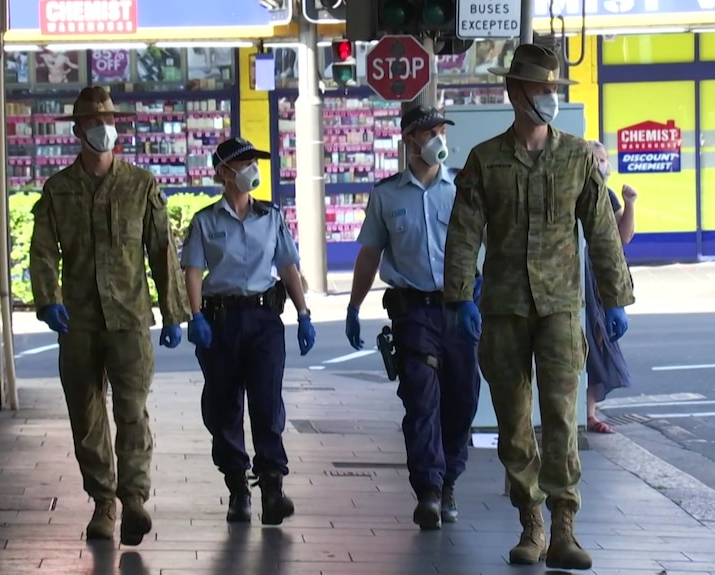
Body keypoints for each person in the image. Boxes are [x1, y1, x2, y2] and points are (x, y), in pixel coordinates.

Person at [442, 45, 635, 570]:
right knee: (512, 420)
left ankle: (565, 527)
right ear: (515, 93)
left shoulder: (575, 157)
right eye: (542, 90)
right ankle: (531, 525)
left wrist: (616, 296)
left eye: (555, 90)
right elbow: (463, 235)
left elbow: (600, 231)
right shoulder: (486, 160)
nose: (550, 98)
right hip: (503, 309)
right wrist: (460, 296)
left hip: (560, 309)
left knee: (560, 418)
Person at [29, 86, 190, 546]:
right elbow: (42, 252)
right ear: (79, 131)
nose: (105, 129)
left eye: (109, 121)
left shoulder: (140, 185)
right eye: (94, 122)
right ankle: (103, 503)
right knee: (85, 415)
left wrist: (174, 311)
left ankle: (133, 498)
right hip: (77, 322)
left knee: (132, 412)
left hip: (129, 319)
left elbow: (162, 250)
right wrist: (48, 299)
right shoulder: (58, 189)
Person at [345, 106, 482, 531]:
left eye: (441, 131)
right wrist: (353, 305)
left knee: (462, 401)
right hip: (413, 313)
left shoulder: (462, 187)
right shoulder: (386, 195)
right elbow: (370, 253)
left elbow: (490, 244)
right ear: (410, 141)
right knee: (421, 401)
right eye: (430, 132)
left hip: (459, 308)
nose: (438, 139)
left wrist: (484, 297)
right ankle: (427, 489)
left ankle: (449, 482)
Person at [179, 137, 316, 526]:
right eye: (243, 163)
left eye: (254, 162)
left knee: (267, 403)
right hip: (220, 322)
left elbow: (288, 266)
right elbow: (192, 270)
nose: (251, 170)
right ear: (223, 171)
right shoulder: (206, 220)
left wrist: (304, 312)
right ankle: (237, 487)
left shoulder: (271, 217)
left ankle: (272, 488)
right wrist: (195, 316)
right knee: (223, 407)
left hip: (263, 321)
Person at [585, 140, 638, 433]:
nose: (604, 165)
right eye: (598, 160)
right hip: (577, 275)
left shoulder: (607, 196)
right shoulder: (577, 193)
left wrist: (630, 203)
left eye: (605, 160)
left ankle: (590, 413)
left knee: (599, 342)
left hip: (600, 279)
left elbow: (623, 236)